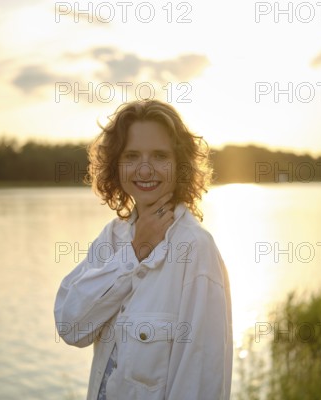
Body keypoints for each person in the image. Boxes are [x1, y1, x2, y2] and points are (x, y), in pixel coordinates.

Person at [54, 99, 232, 399]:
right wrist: (135, 251)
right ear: (116, 164)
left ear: (180, 164)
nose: (145, 169)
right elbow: (72, 327)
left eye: (160, 156)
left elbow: (199, 383)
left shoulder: (196, 251)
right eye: (132, 155)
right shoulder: (113, 237)